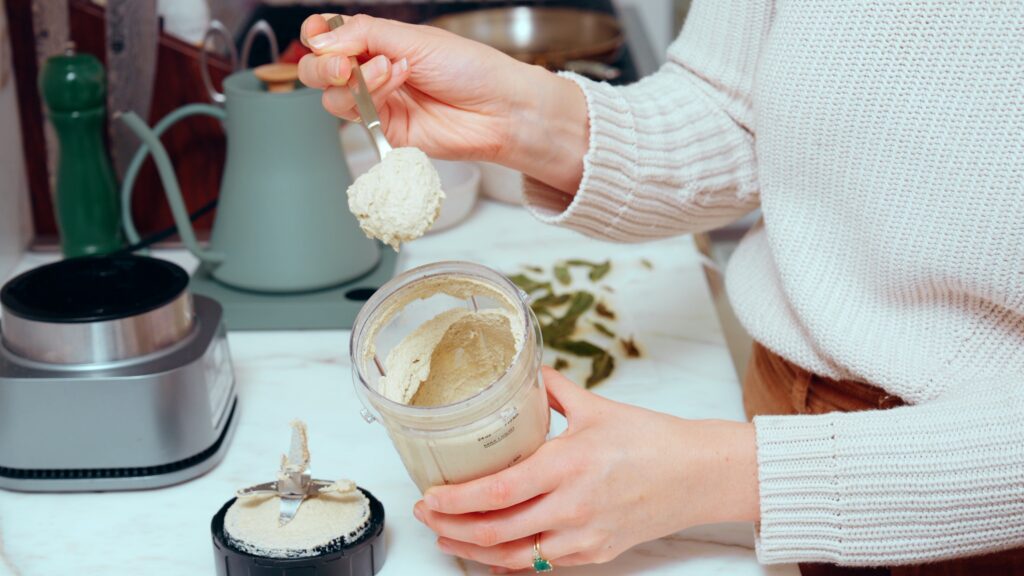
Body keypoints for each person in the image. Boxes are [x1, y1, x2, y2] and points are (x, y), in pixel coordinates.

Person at [297, 2, 1024, 574]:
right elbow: (734, 111)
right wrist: (526, 117)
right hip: (775, 407)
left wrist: (725, 478)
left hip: (976, 511)